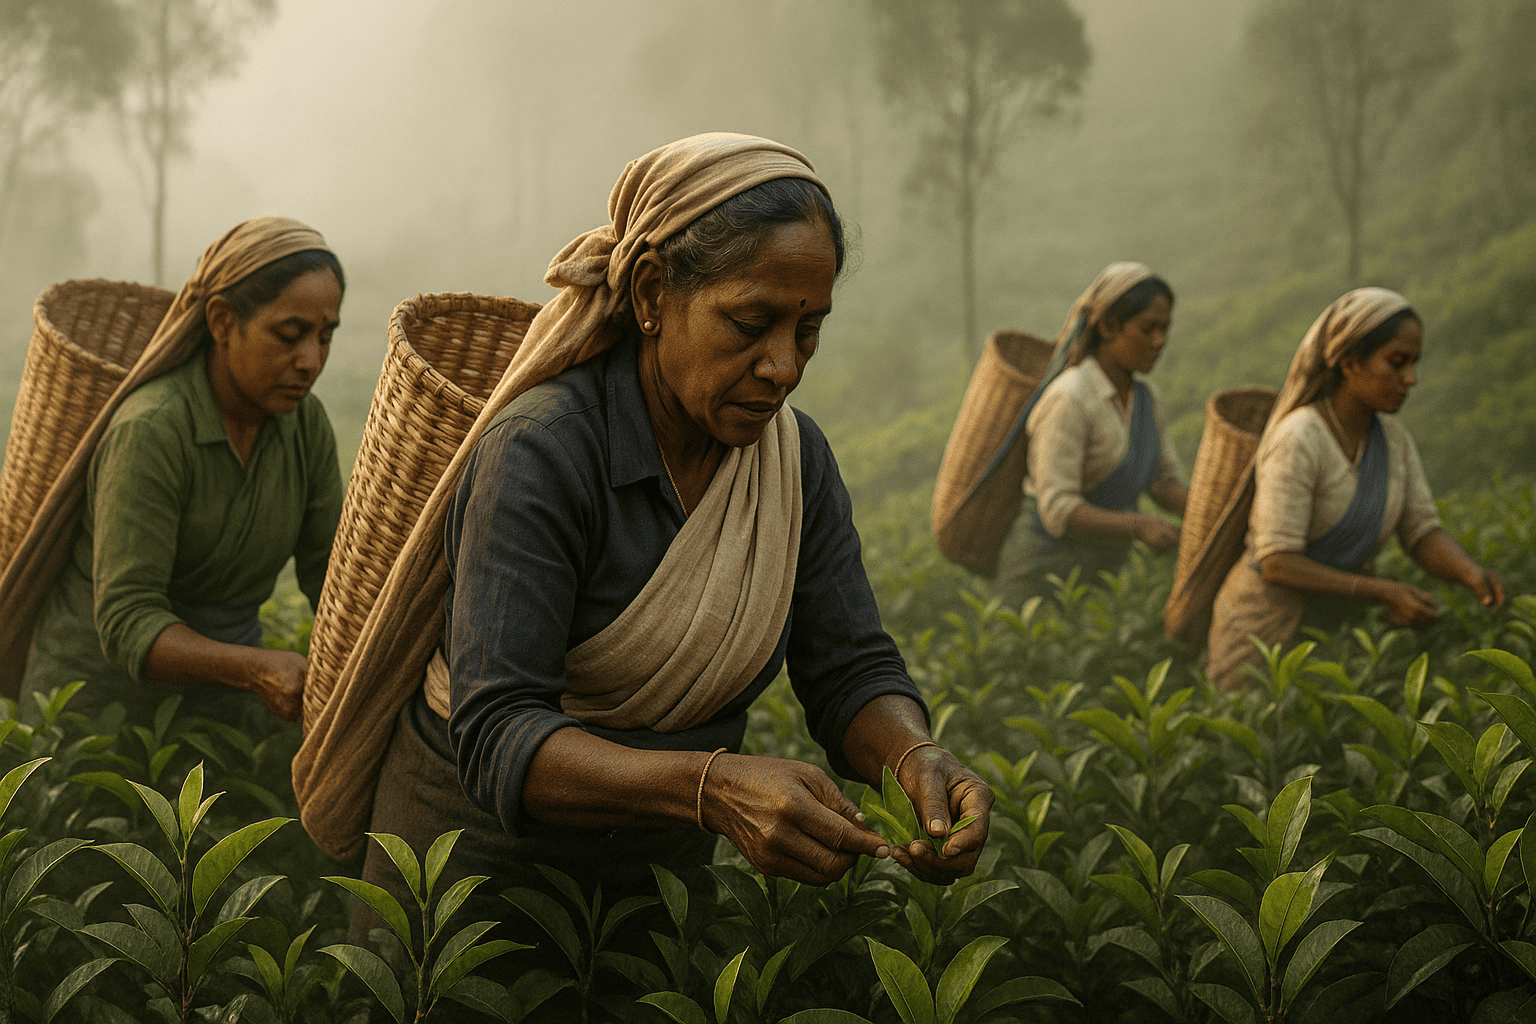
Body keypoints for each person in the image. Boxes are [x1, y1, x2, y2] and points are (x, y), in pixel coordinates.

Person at [324, 135, 991, 940]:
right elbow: (501, 733)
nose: (783, 366)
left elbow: (848, 665)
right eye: (751, 323)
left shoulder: (794, 462)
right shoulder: (544, 451)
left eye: (808, 330)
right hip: (469, 895)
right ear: (651, 294)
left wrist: (915, 757)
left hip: (657, 892)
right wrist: (711, 789)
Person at [15, 217, 344, 721]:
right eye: (290, 334)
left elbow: (332, 574)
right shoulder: (151, 430)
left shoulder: (306, 427)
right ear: (221, 322)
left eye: (325, 337)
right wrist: (255, 669)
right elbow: (129, 618)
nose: (310, 361)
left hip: (224, 699)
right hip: (97, 711)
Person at [1205, 288, 1503, 691]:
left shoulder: (1393, 440)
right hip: (1264, 626)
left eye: (1414, 363)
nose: (1410, 379)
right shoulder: (1300, 437)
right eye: (1396, 363)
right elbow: (1277, 560)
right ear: (1350, 363)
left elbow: (1420, 530)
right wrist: (1382, 590)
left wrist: (1470, 573)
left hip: (1338, 620)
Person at [995, 262, 1188, 603]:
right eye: (1148, 329)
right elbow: (1059, 510)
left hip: (1104, 570)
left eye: (1165, 330)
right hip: (1042, 575)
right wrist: (1138, 526)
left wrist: (1215, 510)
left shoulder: (1145, 398)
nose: (1160, 342)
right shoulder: (1070, 398)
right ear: (1110, 326)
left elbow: (1161, 481)